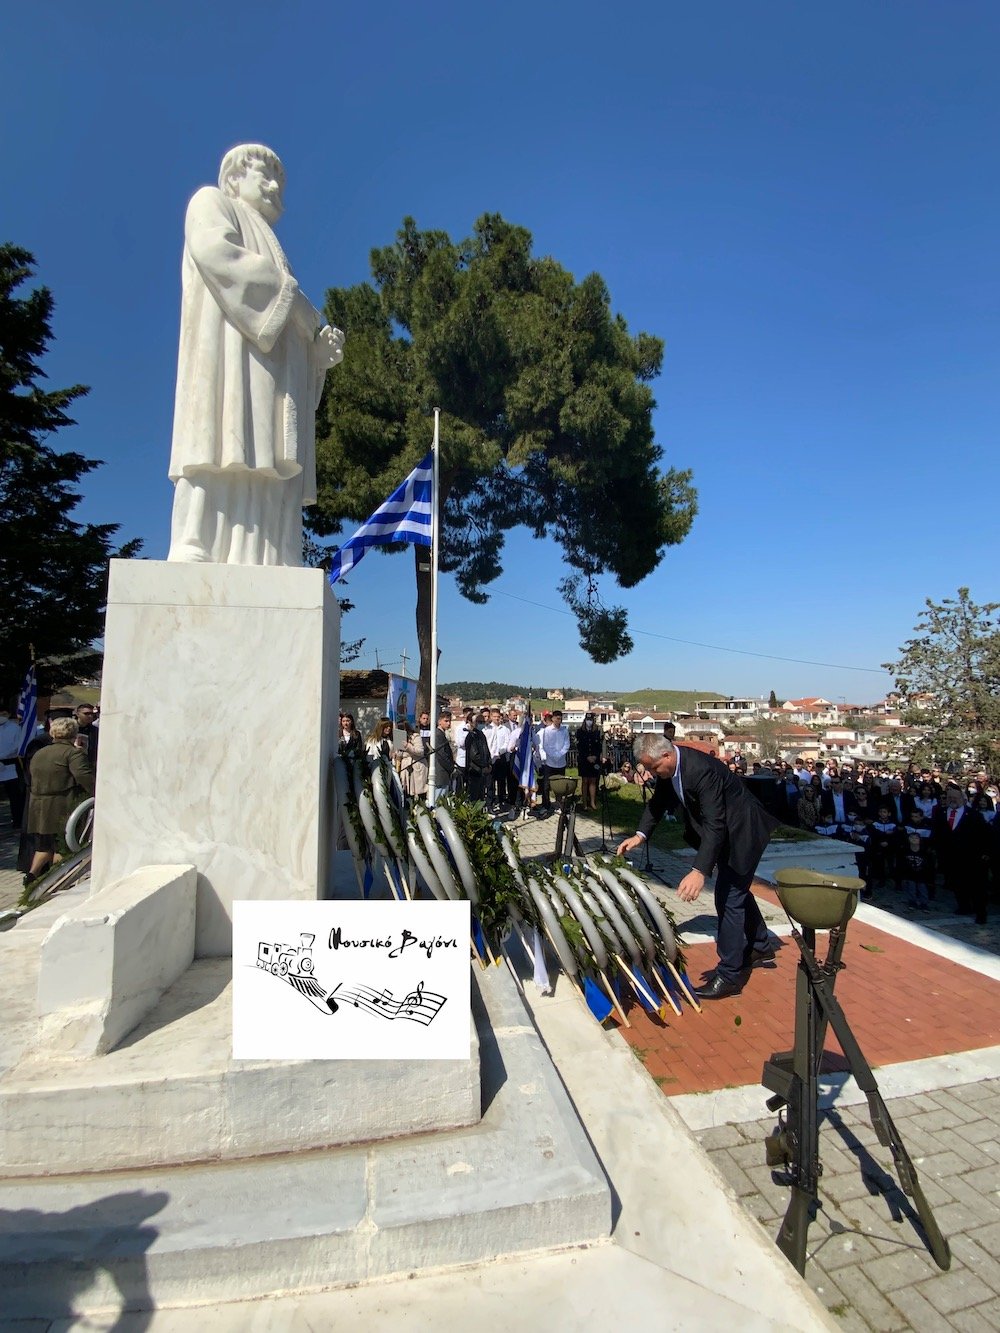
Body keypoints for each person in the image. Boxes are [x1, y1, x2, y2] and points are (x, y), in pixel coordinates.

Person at [167, 144, 345, 566]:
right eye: (264, 175)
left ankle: (267, 554)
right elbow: (217, 254)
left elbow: (286, 328)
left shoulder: (271, 240)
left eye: (279, 181)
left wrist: (317, 356)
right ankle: (196, 540)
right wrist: (295, 301)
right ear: (233, 177)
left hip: (268, 378)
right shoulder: (210, 202)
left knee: (265, 458)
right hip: (226, 362)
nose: (274, 186)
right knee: (216, 441)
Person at [617, 736, 779, 1000]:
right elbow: (658, 802)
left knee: (728, 898)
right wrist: (640, 835)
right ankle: (760, 945)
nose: (653, 774)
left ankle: (729, 975)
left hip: (743, 833)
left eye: (654, 768)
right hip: (725, 835)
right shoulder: (670, 769)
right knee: (736, 891)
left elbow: (716, 823)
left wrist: (699, 871)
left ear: (666, 757)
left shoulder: (701, 770)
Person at [26, 717, 96, 883]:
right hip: (61, 804)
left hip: (38, 804)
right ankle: (56, 880)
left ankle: (31, 875)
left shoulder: (40, 753)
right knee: (61, 847)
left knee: (43, 846)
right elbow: (83, 776)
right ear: (74, 732)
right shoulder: (72, 753)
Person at [537, 710, 570, 815]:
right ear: (553, 719)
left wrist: (559, 754)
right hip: (550, 762)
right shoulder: (547, 731)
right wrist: (553, 755)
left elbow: (566, 744)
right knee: (546, 785)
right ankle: (546, 805)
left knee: (560, 786)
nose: (558, 721)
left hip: (561, 762)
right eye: (556, 718)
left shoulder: (564, 731)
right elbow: (545, 745)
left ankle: (559, 805)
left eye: (560, 719)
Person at [0, 704, 25, 829]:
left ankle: (17, 820)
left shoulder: (15, 728)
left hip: (9, 764)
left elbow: (16, 746)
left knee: (14, 795)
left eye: (3, 714)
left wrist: (3, 755)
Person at [576, 713, 603, 811]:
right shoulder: (580, 732)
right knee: (585, 781)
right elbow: (579, 747)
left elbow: (599, 746)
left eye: (591, 720)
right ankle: (584, 803)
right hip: (584, 759)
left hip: (594, 759)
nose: (589, 722)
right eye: (588, 720)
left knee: (593, 781)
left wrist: (595, 756)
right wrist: (587, 757)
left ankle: (592, 802)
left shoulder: (597, 732)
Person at [428, 711, 455, 803]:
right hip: (441, 770)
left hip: (443, 771)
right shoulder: (438, 734)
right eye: (446, 721)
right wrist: (451, 768)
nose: (448, 723)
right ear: (440, 721)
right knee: (438, 798)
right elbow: (441, 755)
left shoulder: (442, 733)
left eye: (449, 721)